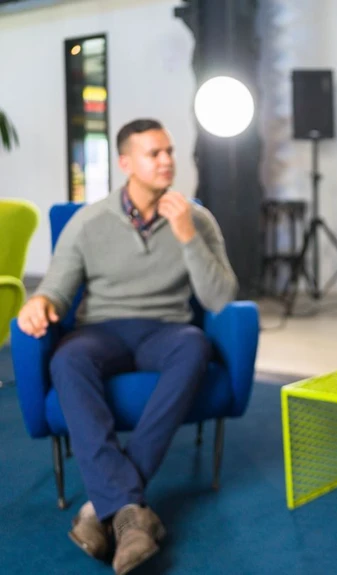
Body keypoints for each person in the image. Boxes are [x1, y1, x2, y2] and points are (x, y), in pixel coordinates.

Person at [16, 119, 238, 575]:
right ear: (125, 163)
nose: (167, 160)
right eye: (154, 153)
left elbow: (220, 298)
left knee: (195, 346)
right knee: (68, 357)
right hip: (102, 329)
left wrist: (187, 236)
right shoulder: (88, 221)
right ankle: (131, 513)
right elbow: (57, 288)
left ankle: (102, 506)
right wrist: (39, 303)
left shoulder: (196, 219)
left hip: (166, 330)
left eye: (169, 151)